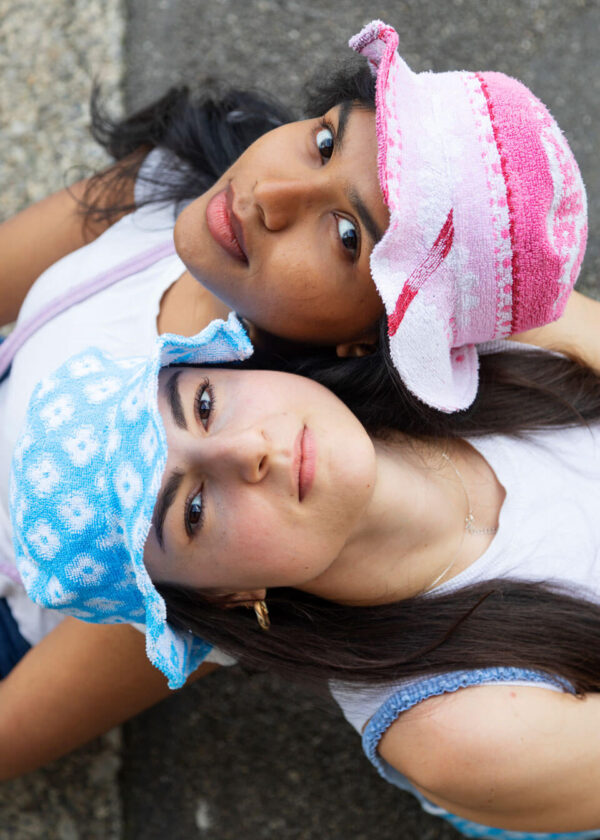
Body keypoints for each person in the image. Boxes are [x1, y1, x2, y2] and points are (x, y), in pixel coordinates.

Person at [1, 16, 599, 778]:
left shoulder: (175, 542)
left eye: (348, 237)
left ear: (372, 342)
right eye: (322, 141)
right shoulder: (177, 187)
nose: (265, 196)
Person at [11, 312, 600, 839]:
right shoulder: (456, 730)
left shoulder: (450, 322)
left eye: (205, 405)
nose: (248, 451)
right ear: (227, 598)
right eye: (192, 509)